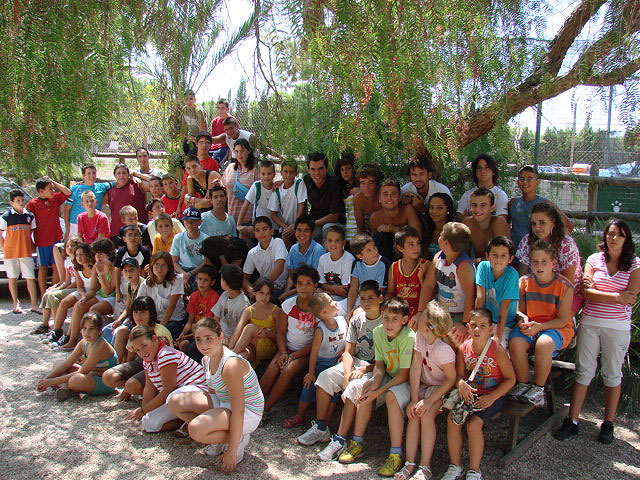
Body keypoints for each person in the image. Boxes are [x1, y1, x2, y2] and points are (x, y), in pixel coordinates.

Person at [554, 220, 640, 444]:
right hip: (591, 322)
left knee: (612, 373)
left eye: (619, 235)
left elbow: (630, 297)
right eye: (610, 234)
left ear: (626, 239)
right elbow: (585, 291)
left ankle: (608, 423)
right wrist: (616, 296)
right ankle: (572, 421)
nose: (613, 238)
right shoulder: (594, 259)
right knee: (584, 371)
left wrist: (605, 293)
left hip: (617, 327)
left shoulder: (634, 264)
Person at [167, 317, 264, 472]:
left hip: (247, 410)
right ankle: (220, 433)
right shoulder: (206, 359)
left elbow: (238, 410)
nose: (203, 345)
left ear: (220, 336)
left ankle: (237, 439)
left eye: (208, 339)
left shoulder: (230, 365)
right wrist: (210, 415)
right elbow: (213, 393)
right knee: (174, 402)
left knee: (195, 430)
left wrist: (231, 452)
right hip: (225, 404)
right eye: (198, 340)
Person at [301, 280, 383, 459]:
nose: (366, 303)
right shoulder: (356, 319)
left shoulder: (385, 322)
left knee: (354, 388)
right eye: (362, 299)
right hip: (352, 363)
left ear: (380, 299)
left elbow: (385, 362)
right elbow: (348, 351)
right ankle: (322, 427)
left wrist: (362, 370)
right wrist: (346, 374)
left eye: (371, 298)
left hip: (374, 369)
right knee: (324, 377)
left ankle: (340, 439)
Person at [334, 298, 415, 478]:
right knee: (365, 387)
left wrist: (379, 391)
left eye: (395, 319)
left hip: (406, 381)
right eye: (386, 318)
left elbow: (404, 375)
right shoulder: (379, 332)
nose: (389, 323)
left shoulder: (408, 337)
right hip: (388, 375)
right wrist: (375, 385)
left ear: (405, 319)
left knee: (391, 397)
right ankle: (357, 443)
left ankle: (395, 454)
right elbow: (379, 365)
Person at [441, 308, 515, 480]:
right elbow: (459, 375)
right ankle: (455, 466)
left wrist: (492, 397)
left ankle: (474, 470)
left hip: (492, 395)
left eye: (482, 326)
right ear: (467, 327)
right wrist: (461, 384)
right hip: (471, 394)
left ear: (490, 329)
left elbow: (511, 379)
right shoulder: (464, 349)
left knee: (473, 425)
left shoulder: (496, 350)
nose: (477, 330)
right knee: (452, 421)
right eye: (473, 325)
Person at [508, 240, 574, 407]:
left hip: (555, 327)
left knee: (544, 343)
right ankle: (523, 383)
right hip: (531, 326)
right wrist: (522, 319)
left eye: (544, 261)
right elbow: (519, 310)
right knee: (515, 342)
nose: (539, 265)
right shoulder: (524, 282)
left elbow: (562, 319)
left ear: (553, 263)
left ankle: (539, 389)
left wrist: (539, 327)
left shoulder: (565, 286)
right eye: (535, 261)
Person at [396, 301, 456, 480]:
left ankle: (425, 466)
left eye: (421, 317)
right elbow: (416, 366)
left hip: (439, 389)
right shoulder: (420, 337)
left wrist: (429, 401)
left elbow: (451, 379)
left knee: (426, 415)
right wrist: (414, 398)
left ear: (429, 326)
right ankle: (410, 463)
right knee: (414, 414)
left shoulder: (443, 349)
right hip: (425, 385)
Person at [125, 325, 207, 433]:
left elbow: (168, 389)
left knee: (172, 399)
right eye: (138, 350)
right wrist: (144, 412)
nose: (142, 353)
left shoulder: (166, 355)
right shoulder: (148, 361)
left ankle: (197, 422)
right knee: (148, 423)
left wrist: (143, 410)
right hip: (176, 397)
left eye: (144, 346)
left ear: (154, 339)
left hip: (196, 391)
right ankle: (184, 422)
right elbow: (149, 389)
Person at [260, 264, 319, 414]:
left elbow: (316, 342)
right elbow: (280, 333)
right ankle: (253, 405)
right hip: (287, 348)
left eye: (308, 284)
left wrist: (293, 356)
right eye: (300, 283)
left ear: (315, 286)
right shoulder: (288, 304)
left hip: (306, 353)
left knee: (288, 369)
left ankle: (265, 410)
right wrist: (284, 352)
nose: (304, 287)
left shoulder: (319, 308)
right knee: (272, 368)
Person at [284, 293, 347, 428]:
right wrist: (311, 372)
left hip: (335, 366)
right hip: (320, 365)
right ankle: (299, 415)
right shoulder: (320, 330)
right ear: (324, 311)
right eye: (331, 301)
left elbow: (347, 340)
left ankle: (325, 423)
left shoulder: (342, 320)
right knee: (308, 388)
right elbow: (314, 352)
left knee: (333, 396)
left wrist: (345, 352)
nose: (335, 302)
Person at [102, 296, 173, 401]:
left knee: (131, 386)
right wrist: (127, 372)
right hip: (141, 363)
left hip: (158, 367)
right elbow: (131, 355)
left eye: (143, 312)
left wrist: (128, 387)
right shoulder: (135, 330)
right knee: (108, 377)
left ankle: (151, 392)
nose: (138, 316)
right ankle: (138, 387)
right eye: (135, 312)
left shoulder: (161, 332)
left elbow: (165, 361)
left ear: (151, 313)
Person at [36, 312, 118, 402]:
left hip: (105, 382)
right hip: (91, 373)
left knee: (75, 380)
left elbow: (82, 371)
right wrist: (47, 379)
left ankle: (67, 387)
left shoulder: (100, 345)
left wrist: (51, 382)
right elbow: (68, 362)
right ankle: (65, 388)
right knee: (58, 364)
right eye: (84, 328)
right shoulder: (84, 342)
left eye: (91, 329)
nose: (87, 332)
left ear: (99, 331)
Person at [516, 202, 583, 309]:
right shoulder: (526, 241)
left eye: (542, 222)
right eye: (534, 223)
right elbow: (523, 277)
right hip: (535, 291)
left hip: (566, 293)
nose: (537, 227)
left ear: (554, 222)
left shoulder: (566, 244)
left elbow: (568, 282)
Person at [419, 222, 475, 346]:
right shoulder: (438, 257)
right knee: (420, 329)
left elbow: (470, 295)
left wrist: (465, 324)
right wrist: (420, 311)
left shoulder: (463, 266)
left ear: (446, 243)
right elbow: (429, 285)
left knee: (450, 341)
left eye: (441, 235)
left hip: (458, 314)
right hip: (440, 309)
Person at [57, 239, 118, 351]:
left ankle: (90, 343)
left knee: (93, 309)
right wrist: (84, 297)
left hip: (113, 298)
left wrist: (101, 273)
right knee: (79, 306)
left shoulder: (115, 268)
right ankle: (71, 341)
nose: (98, 257)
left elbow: (108, 290)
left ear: (108, 254)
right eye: (96, 254)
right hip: (101, 295)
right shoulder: (96, 266)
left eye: (101, 254)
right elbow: (94, 288)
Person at [26, 176, 71, 297]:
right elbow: (28, 224)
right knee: (43, 268)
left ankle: (54, 292)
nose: (53, 191)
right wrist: (30, 241)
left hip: (56, 238)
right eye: (50, 189)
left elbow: (68, 192)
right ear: (41, 191)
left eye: (52, 188)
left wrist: (53, 181)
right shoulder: (32, 204)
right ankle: (42, 294)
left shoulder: (55, 198)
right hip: (41, 241)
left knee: (56, 266)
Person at [508, 165, 572, 250]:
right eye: (522, 179)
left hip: (537, 254)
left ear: (537, 183)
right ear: (518, 182)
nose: (525, 182)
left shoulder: (546, 204)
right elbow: (506, 226)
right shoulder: (513, 203)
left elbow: (568, 226)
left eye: (529, 179)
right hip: (514, 252)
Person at [46, 242, 94, 347]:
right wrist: (82, 295)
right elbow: (80, 286)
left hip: (94, 292)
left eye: (81, 254)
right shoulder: (78, 268)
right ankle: (56, 331)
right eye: (77, 255)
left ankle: (69, 337)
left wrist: (84, 297)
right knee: (64, 302)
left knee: (78, 306)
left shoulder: (93, 267)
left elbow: (95, 288)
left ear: (88, 254)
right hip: (84, 291)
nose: (79, 257)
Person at [474, 236, 519, 348]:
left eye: (503, 256)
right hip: (486, 320)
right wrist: (475, 326)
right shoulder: (483, 267)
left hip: (505, 324)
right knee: (473, 345)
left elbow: (504, 307)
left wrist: (498, 336)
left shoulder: (512, 275)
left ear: (510, 259)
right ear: (487, 256)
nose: (498, 260)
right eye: (494, 255)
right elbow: (480, 298)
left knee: (497, 348)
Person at [1, 189, 39, 314]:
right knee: (12, 277)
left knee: (30, 277)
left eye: (23, 200)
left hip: (26, 252)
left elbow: (32, 232)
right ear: (12, 202)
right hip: (11, 252)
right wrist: (3, 247)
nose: (21, 203)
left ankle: (34, 305)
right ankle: (16, 304)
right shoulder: (6, 217)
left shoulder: (29, 216)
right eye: (18, 201)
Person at [229, 277, 281, 366]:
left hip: (268, 345)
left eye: (267, 294)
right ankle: (230, 363)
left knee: (250, 328)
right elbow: (237, 332)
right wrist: (230, 346)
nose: (264, 297)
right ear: (254, 292)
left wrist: (266, 333)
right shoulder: (249, 310)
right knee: (243, 354)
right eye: (261, 293)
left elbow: (281, 337)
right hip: (252, 345)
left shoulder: (276, 311)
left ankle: (228, 358)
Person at [35, 236, 81, 334]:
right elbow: (67, 280)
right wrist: (57, 287)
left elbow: (77, 282)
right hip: (70, 286)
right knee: (48, 293)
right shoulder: (68, 261)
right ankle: (45, 324)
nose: (69, 248)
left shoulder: (79, 261)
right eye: (67, 246)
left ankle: (56, 327)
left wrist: (62, 290)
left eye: (72, 246)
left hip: (78, 288)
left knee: (53, 296)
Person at [370, 178, 422, 261]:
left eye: (393, 194)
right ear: (379, 198)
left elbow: (417, 236)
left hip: (407, 256)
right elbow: (373, 245)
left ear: (399, 197)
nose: (389, 198)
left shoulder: (408, 210)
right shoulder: (375, 217)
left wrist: (391, 228)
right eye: (385, 194)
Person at [138, 251, 186, 339]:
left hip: (173, 320)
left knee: (157, 336)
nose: (159, 269)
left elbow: (172, 306)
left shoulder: (177, 280)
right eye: (157, 264)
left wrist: (160, 328)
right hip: (153, 321)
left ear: (169, 267)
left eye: (163, 265)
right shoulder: (146, 284)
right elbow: (139, 306)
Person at [280, 214, 326, 300]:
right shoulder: (293, 249)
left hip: (312, 289)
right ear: (295, 231)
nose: (302, 234)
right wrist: (286, 292)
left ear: (312, 233)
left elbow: (315, 279)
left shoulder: (318, 250)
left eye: (306, 231)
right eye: (299, 230)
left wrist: (288, 294)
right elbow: (291, 275)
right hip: (296, 288)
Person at [177, 265, 220, 357]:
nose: (202, 283)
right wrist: (182, 334)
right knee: (182, 344)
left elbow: (209, 325)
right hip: (194, 330)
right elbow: (190, 321)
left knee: (192, 348)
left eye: (206, 280)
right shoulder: (193, 296)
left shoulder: (214, 297)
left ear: (212, 282)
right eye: (200, 279)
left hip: (206, 332)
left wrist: (188, 336)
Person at [387, 226, 428, 319]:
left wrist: (421, 278)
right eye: (411, 244)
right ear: (400, 248)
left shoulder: (426, 264)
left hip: (419, 312)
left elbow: (431, 293)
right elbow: (390, 292)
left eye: (418, 243)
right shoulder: (394, 267)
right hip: (400, 312)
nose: (416, 248)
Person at [303, 152, 346, 243]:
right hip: (315, 221)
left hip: (335, 224)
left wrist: (311, 224)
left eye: (320, 169)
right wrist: (282, 183)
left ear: (326, 169)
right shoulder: (306, 180)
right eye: (313, 169)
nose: (317, 173)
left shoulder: (334, 184)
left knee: (327, 232)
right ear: (308, 170)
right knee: (302, 237)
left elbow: (334, 216)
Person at [105, 257, 143, 357]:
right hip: (130, 318)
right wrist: (119, 320)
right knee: (107, 329)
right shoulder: (129, 285)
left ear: (138, 270)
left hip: (138, 320)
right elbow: (128, 307)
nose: (128, 273)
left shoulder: (143, 285)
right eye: (125, 271)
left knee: (119, 332)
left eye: (131, 270)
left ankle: (116, 361)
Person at [242, 216, 288, 297]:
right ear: (254, 234)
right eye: (257, 230)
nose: (261, 233)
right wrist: (251, 290)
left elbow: (280, 267)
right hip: (264, 290)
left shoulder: (278, 242)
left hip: (283, 286)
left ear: (272, 231)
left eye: (265, 229)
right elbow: (245, 277)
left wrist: (264, 286)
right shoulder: (252, 253)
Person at [346, 233, 390, 319]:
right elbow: (353, 289)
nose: (374, 251)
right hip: (360, 298)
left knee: (356, 315)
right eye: (369, 250)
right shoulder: (357, 264)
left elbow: (380, 291)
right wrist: (349, 310)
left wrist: (357, 309)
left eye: (374, 247)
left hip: (374, 300)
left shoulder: (383, 264)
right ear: (360, 256)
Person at [63, 164, 113, 238]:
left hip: (94, 224)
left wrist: (132, 175)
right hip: (75, 224)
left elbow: (117, 182)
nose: (92, 176)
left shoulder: (101, 187)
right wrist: (67, 230)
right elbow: (66, 210)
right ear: (84, 175)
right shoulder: (75, 189)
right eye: (88, 173)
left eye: (94, 173)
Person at [462, 188, 510, 262]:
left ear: (492, 207)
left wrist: (474, 262)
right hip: (477, 266)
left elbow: (501, 256)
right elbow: (463, 254)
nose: (478, 209)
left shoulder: (499, 222)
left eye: (483, 205)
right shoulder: (467, 223)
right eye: (474, 205)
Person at [268, 160, 307, 248]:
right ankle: (287, 260)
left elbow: (302, 206)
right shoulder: (277, 190)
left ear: (296, 173)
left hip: (300, 224)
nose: (288, 175)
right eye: (285, 172)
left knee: (302, 242)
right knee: (285, 238)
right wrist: (286, 227)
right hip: (285, 226)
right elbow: (273, 214)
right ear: (281, 172)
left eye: (291, 172)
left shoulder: (299, 184)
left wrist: (295, 225)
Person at [221, 138, 260, 223]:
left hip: (248, 220)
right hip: (231, 218)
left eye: (242, 151)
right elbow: (223, 186)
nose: (239, 154)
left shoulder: (255, 170)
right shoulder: (230, 168)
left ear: (249, 151)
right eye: (236, 151)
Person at [456, 154, 508, 219]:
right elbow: (459, 216)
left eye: (487, 167)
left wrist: (470, 218)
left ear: (493, 171)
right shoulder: (467, 195)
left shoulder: (500, 195)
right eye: (479, 168)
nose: (482, 171)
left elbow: (502, 219)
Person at [104, 163, 148, 236]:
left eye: (124, 173)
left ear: (128, 175)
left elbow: (155, 182)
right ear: (115, 175)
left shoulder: (136, 184)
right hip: (117, 231)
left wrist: (137, 175)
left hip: (138, 230)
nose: (121, 176)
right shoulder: (110, 191)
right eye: (118, 173)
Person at [317, 225, 354, 310]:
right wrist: (335, 289)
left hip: (342, 300)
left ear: (343, 243)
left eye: (337, 241)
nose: (333, 244)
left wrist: (325, 291)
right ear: (325, 242)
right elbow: (322, 284)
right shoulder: (322, 259)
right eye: (330, 241)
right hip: (326, 295)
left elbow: (344, 291)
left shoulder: (348, 259)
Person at [211, 264, 251, 344]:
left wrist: (228, 339)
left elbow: (243, 328)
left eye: (222, 278)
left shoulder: (243, 303)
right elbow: (216, 317)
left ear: (226, 282)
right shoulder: (224, 295)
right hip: (220, 335)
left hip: (233, 340)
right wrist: (219, 334)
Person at [237, 160, 277, 238]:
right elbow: (246, 204)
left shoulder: (277, 187)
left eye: (269, 173)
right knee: (243, 232)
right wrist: (239, 224)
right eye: (263, 174)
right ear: (259, 174)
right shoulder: (257, 186)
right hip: (259, 224)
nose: (266, 176)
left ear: (274, 174)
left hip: (274, 226)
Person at [170, 207, 207, 292]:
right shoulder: (178, 238)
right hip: (182, 269)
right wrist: (184, 274)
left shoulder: (206, 239)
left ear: (199, 222)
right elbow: (174, 261)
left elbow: (206, 262)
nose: (189, 225)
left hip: (199, 269)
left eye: (193, 221)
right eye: (187, 222)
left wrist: (190, 274)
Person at [114, 226, 150, 302]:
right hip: (123, 287)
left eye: (136, 235)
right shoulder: (121, 252)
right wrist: (118, 291)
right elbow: (117, 271)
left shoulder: (144, 252)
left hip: (139, 288)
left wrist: (140, 289)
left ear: (140, 238)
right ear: (124, 238)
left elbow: (144, 272)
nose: (133, 238)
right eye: (130, 235)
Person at [352, 163, 384, 237]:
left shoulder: (385, 196)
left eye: (371, 182)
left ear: (377, 183)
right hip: (368, 236)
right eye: (363, 183)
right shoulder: (358, 199)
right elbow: (360, 228)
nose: (367, 187)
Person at [334, 152, 359, 240]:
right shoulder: (340, 187)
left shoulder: (360, 185)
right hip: (345, 225)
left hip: (358, 226)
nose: (345, 172)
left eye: (348, 169)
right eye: (342, 169)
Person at [423, 193, 455, 260]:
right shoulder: (426, 228)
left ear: (448, 209)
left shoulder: (454, 231)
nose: (434, 211)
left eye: (439, 208)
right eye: (431, 207)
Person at [179, 89, 208, 154]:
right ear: (184, 100)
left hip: (200, 139)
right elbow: (184, 126)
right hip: (190, 138)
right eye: (186, 99)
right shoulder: (185, 110)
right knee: (182, 155)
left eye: (191, 99)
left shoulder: (199, 111)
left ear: (195, 99)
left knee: (192, 156)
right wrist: (183, 138)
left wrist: (197, 141)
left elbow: (203, 130)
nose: (189, 101)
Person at [209, 98, 237, 165]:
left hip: (226, 147)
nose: (220, 110)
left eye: (222, 108)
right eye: (218, 108)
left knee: (213, 162)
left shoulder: (232, 120)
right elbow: (213, 137)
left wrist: (231, 152)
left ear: (227, 109)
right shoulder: (215, 121)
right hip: (215, 147)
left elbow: (236, 138)